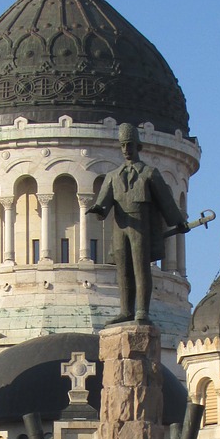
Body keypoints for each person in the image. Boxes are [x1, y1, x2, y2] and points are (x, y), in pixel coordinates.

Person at [87, 123, 189, 324]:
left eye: (130, 145)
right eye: (123, 145)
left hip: (141, 226)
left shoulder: (149, 174)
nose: (126, 149)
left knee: (141, 268)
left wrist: (178, 221)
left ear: (138, 146)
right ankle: (126, 310)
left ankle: (142, 310)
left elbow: (166, 202)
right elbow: (103, 204)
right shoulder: (112, 176)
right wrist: (98, 210)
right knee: (123, 269)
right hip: (121, 227)